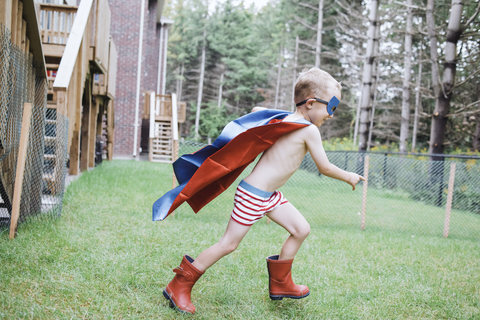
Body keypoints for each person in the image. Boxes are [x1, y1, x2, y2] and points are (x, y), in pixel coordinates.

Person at [163, 67, 365, 314]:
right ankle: (179, 284)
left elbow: (258, 111)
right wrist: (349, 177)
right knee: (228, 244)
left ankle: (281, 284)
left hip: (269, 196)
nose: (332, 115)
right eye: (331, 107)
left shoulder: (286, 120)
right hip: (253, 195)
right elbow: (324, 167)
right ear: (311, 103)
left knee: (301, 229)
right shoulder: (308, 129)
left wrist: (261, 113)